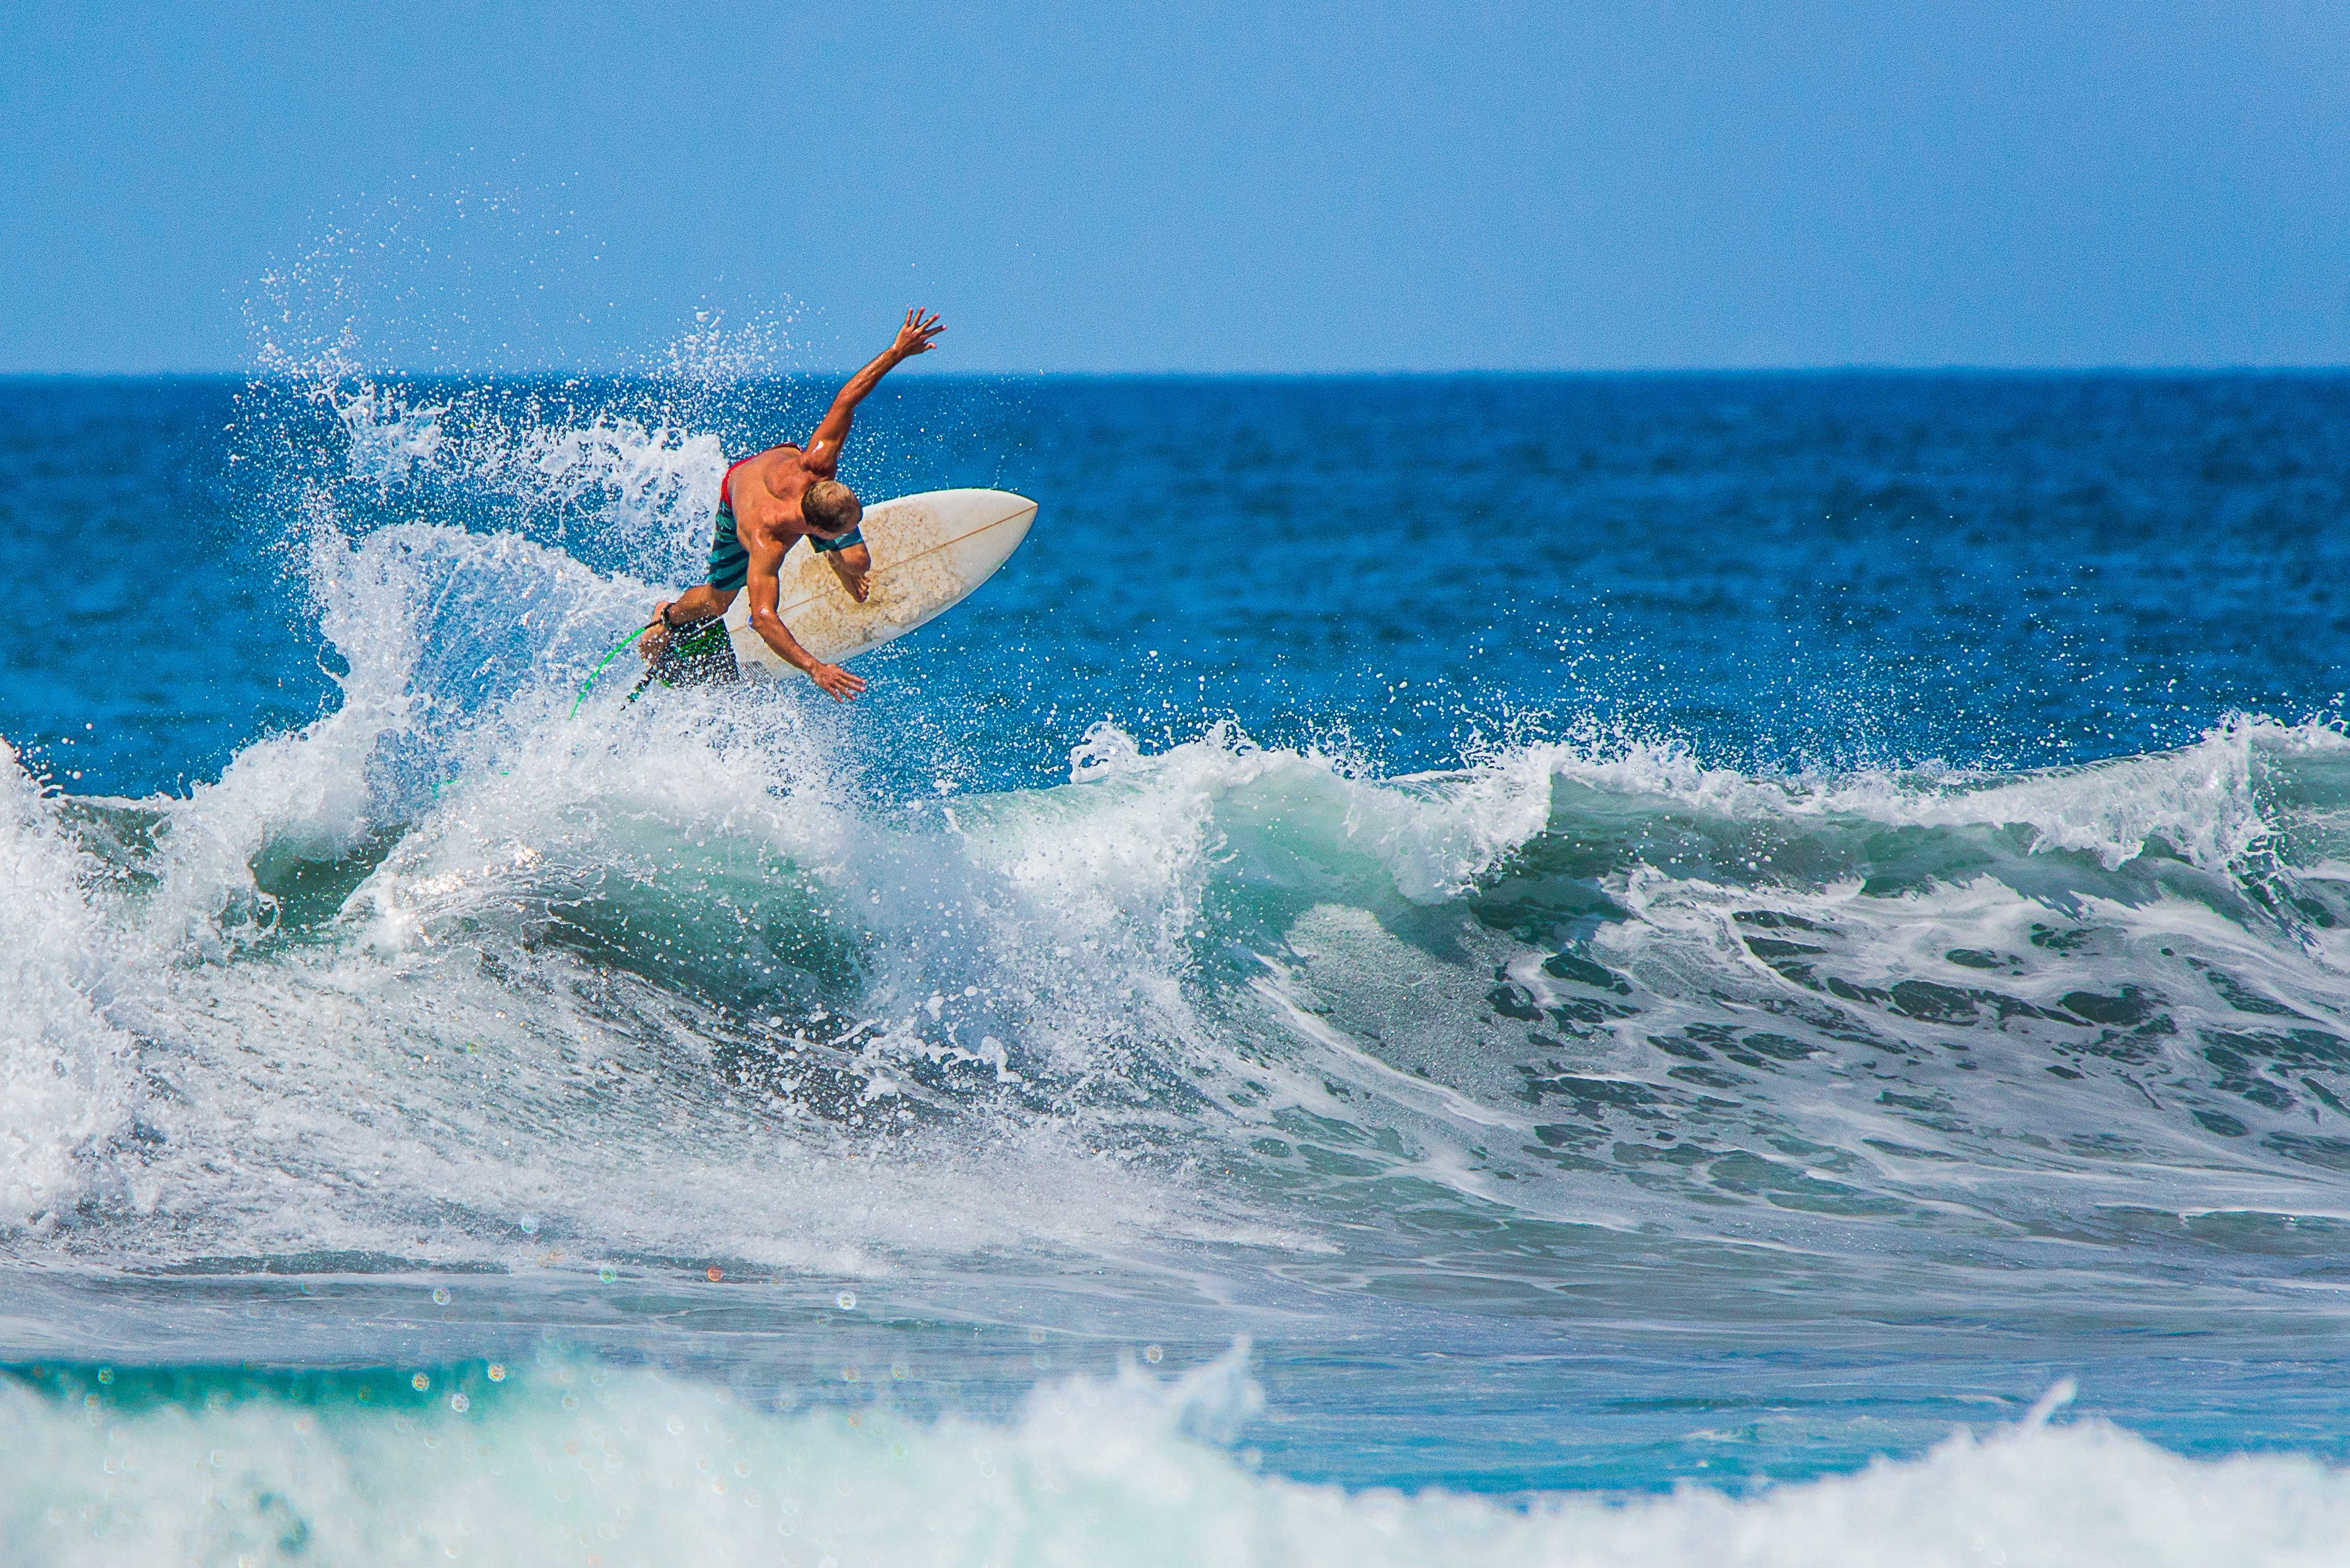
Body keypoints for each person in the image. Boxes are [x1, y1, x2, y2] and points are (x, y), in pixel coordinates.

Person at [639, 308, 945, 699]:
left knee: (858, 562)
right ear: (817, 532)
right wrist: (816, 669)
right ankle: (665, 615)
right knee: (717, 603)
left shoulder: (819, 463)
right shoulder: (768, 543)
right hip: (740, 498)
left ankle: (839, 560)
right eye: (844, 530)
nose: (854, 530)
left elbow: (846, 401)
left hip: (781, 471)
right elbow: (762, 619)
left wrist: (897, 352)